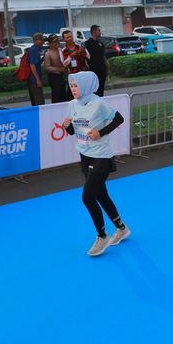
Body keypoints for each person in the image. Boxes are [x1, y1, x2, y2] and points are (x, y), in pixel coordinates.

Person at [62, 71, 129, 256]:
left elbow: (119, 119)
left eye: (76, 86)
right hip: (85, 155)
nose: (73, 89)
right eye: (71, 85)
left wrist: (100, 133)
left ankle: (102, 236)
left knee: (88, 197)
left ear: (85, 86)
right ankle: (122, 228)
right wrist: (67, 126)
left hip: (101, 156)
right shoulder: (72, 105)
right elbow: (73, 132)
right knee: (101, 196)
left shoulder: (99, 103)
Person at [60, 30, 90, 100]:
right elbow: (64, 64)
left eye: (70, 36)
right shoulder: (63, 50)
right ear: (64, 39)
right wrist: (71, 56)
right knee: (74, 96)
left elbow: (89, 57)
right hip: (73, 77)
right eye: (67, 37)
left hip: (83, 74)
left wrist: (83, 52)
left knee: (85, 94)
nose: (69, 39)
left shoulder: (79, 46)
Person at [85, 24, 110, 96]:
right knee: (94, 90)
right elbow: (86, 58)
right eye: (99, 30)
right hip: (93, 70)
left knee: (101, 88)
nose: (100, 32)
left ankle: (100, 101)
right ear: (94, 31)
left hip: (102, 70)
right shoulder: (87, 43)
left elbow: (103, 56)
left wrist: (108, 67)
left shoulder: (100, 43)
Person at [43, 34, 67, 103]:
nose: (57, 43)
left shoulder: (60, 51)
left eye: (57, 41)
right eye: (54, 42)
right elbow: (47, 68)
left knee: (63, 94)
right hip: (54, 77)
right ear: (50, 43)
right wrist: (59, 69)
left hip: (61, 76)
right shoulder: (48, 53)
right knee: (56, 95)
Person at [27, 33, 45, 106]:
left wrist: (43, 59)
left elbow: (37, 63)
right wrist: (37, 80)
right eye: (41, 40)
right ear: (36, 40)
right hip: (34, 80)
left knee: (39, 100)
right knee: (39, 102)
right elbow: (32, 65)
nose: (43, 42)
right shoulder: (33, 50)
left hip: (35, 79)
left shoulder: (37, 49)